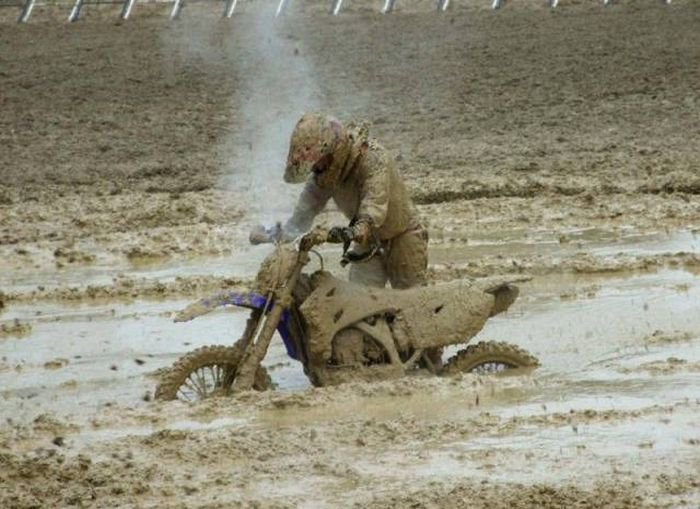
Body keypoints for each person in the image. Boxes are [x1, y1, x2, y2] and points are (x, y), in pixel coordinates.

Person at [253, 112, 428, 290]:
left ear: (333, 150)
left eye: (319, 162)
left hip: (402, 235)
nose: (317, 168)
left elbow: (373, 209)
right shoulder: (325, 175)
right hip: (368, 243)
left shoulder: (373, 158)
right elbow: (305, 212)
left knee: (412, 300)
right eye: (314, 166)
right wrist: (279, 234)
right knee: (359, 300)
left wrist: (340, 234)